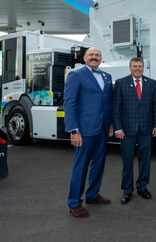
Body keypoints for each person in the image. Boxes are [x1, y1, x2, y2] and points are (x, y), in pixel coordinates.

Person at [64, 47, 113, 218]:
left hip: (102, 129)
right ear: (84, 58)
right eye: (91, 55)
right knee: (81, 166)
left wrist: (111, 124)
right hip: (84, 130)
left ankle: (92, 195)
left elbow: (108, 103)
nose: (94, 57)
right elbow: (69, 103)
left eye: (97, 55)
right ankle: (74, 202)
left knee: (98, 164)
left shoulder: (107, 77)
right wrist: (73, 130)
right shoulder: (76, 75)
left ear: (101, 59)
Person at [113, 57, 156, 204]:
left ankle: (142, 187)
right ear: (130, 67)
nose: (137, 68)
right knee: (127, 161)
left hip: (146, 129)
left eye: (140, 66)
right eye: (134, 66)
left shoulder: (151, 83)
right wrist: (118, 127)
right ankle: (127, 190)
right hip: (127, 130)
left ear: (143, 67)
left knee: (145, 160)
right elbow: (116, 108)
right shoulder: (121, 83)